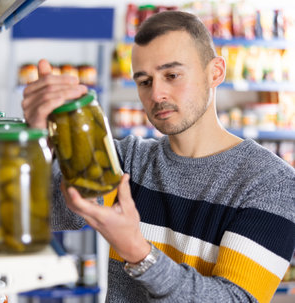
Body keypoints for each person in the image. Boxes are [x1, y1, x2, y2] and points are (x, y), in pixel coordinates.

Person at [21, 11, 295, 303]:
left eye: (172, 75)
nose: (157, 94)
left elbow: (234, 299)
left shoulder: (272, 183)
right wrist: (37, 138)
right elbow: (44, 214)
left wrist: (138, 252)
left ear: (215, 72)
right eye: (144, 81)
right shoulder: (127, 160)